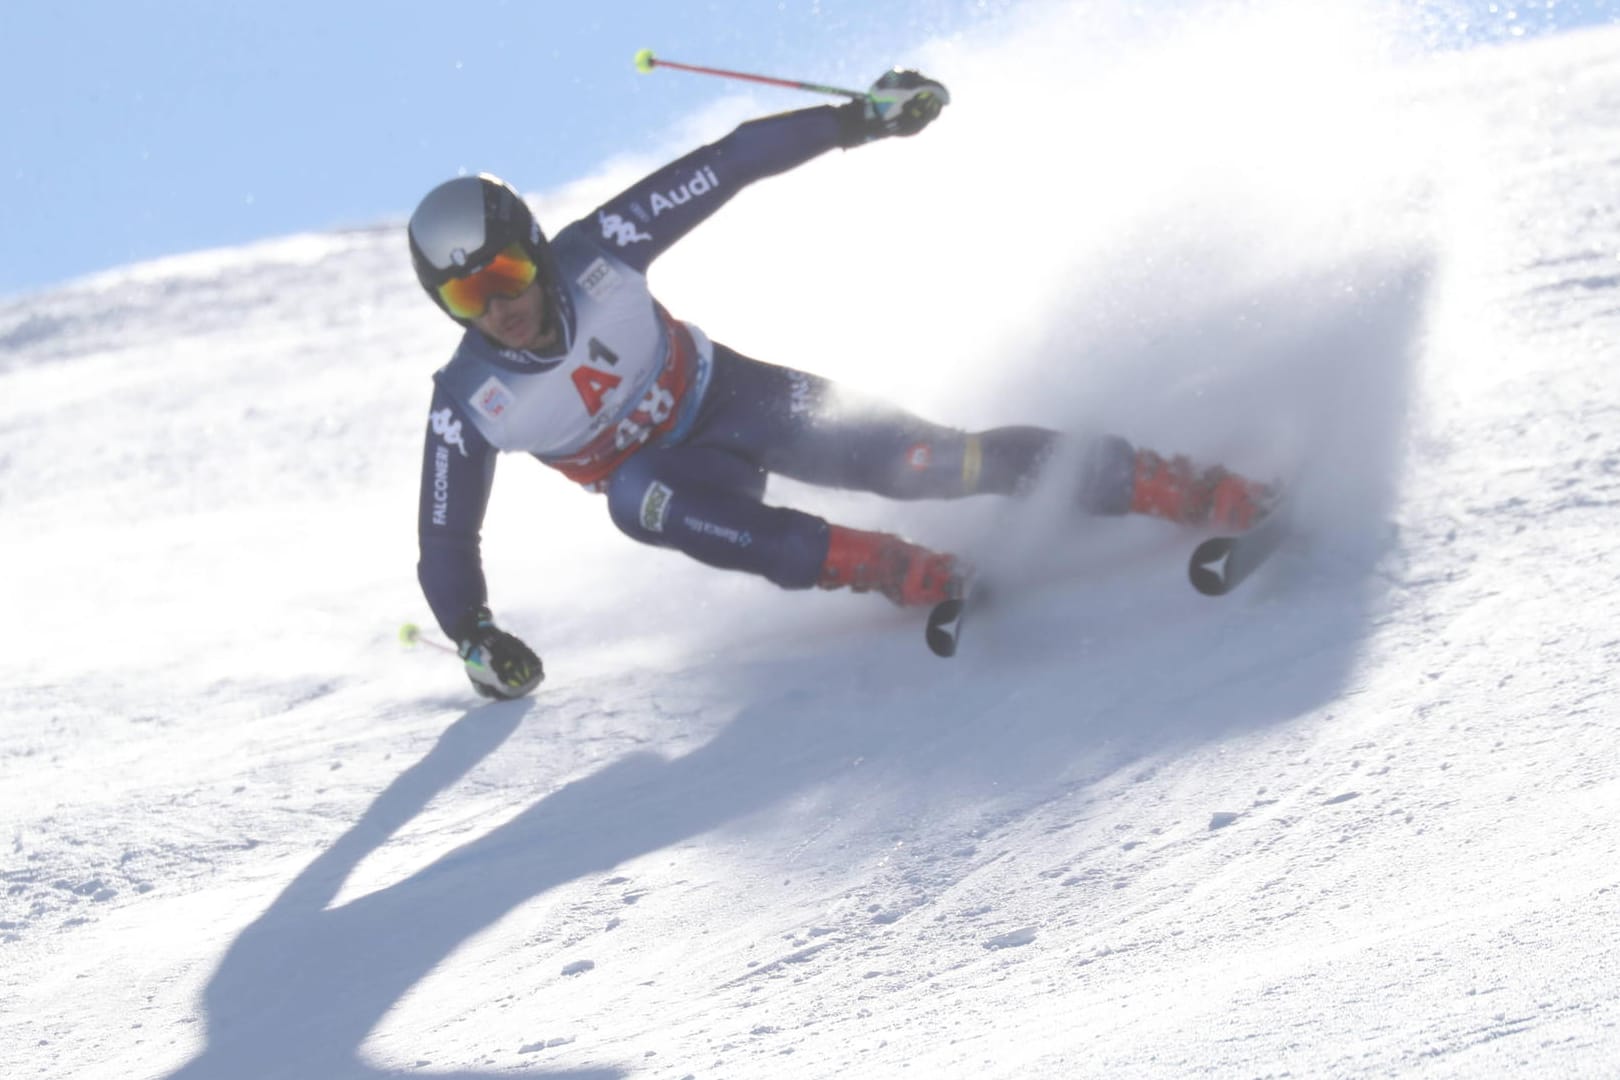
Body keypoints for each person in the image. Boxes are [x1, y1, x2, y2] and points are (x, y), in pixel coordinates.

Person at [409, 69, 1270, 700]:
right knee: (638, 496)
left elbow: (728, 162)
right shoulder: (469, 402)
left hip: (738, 398)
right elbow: (447, 540)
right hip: (685, 482)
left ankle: (1181, 487)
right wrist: (474, 636)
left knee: (937, 462)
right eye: (468, 293)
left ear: (535, 247)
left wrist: (859, 119)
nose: (501, 306)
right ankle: (897, 570)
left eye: (510, 270)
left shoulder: (600, 250)